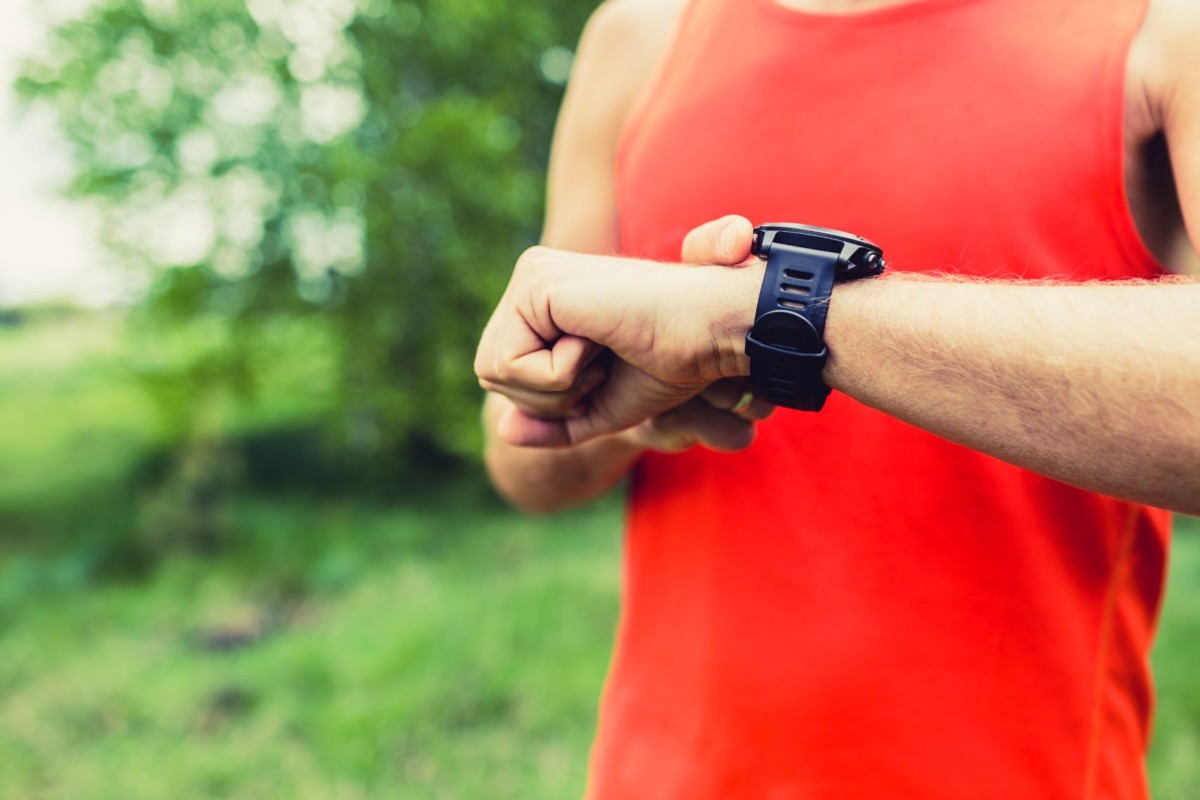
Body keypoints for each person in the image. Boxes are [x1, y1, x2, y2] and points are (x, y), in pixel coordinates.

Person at [476, 0, 1200, 797]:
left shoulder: (1162, 29)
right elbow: (521, 451)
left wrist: (760, 319)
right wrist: (641, 399)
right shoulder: (639, 36)